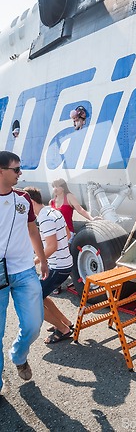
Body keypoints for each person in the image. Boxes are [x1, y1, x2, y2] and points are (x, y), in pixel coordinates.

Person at [0, 151, 48, 392]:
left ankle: (18, 355)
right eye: (16, 169)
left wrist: (43, 260)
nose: (20, 174)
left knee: (33, 324)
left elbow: (32, 231)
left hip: (24, 270)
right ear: (1, 171)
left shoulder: (23, 200)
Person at [24, 187, 74, 344]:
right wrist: (62, 252)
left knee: (31, 300)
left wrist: (35, 261)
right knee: (41, 295)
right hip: (65, 263)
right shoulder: (54, 211)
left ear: (31, 202)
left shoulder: (44, 219)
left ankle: (63, 329)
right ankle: (67, 322)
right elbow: (67, 234)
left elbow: (52, 247)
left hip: (57, 267)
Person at [50, 178, 100, 244]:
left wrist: (92, 219)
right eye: (53, 187)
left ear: (63, 188)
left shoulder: (69, 197)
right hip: (55, 234)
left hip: (67, 233)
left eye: (57, 186)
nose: (55, 189)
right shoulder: (51, 202)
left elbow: (80, 210)